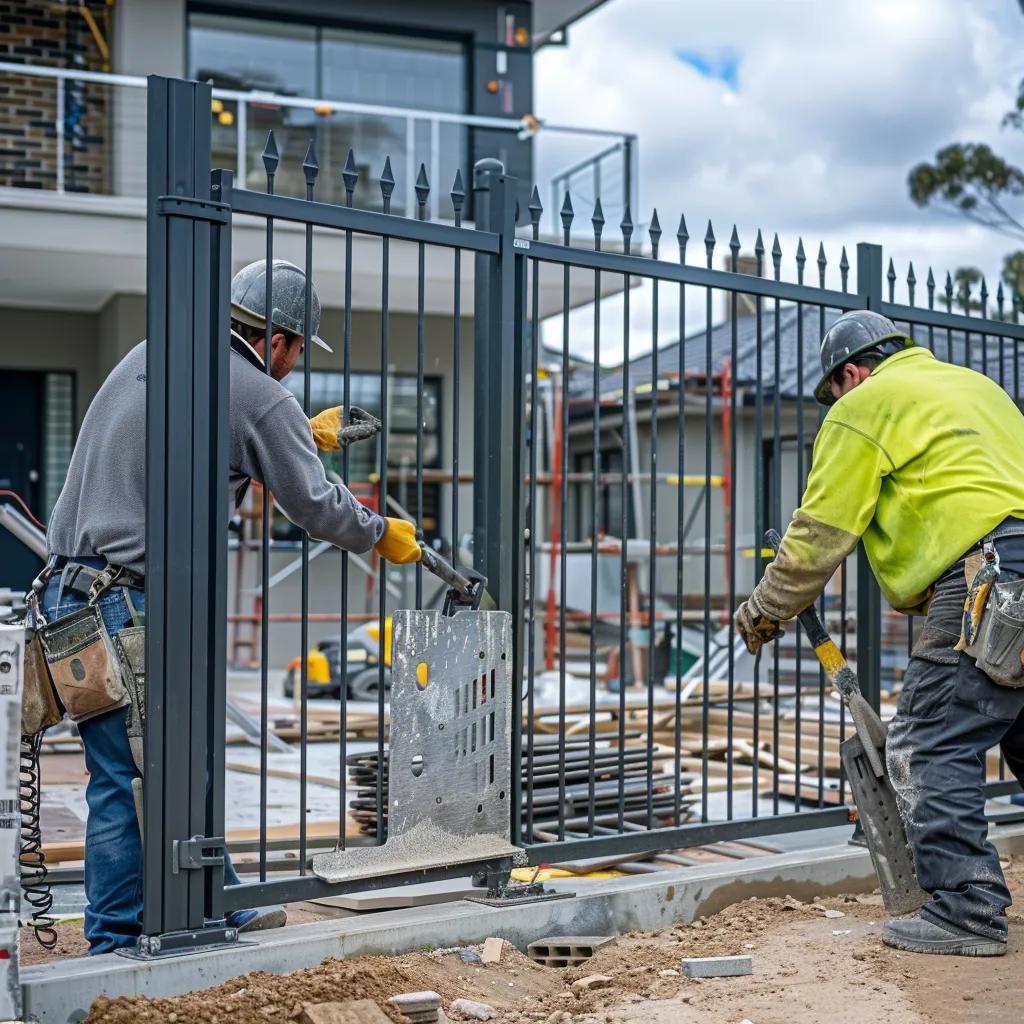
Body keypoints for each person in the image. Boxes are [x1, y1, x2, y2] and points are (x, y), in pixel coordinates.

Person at [39, 259, 421, 954]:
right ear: (275, 339)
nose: (295, 367)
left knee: (159, 762)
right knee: (136, 776)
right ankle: (115, 943)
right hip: (132, 604)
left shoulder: (154, 352)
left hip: (71, 593)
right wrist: (378, 533)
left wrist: (298, 432)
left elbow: (193, 436)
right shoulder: (259, 394)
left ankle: (215, 896)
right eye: (299, 350)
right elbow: (311, 504)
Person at [734, 309, 1024, 957]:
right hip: (1016, 562)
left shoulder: (863, 404)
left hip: (991, 575)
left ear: (851, 373)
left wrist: (766, 608)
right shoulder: (977, 387)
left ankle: (967, 910)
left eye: (835, 389)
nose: (836, 401)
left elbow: (819, 535)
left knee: (928, 743)